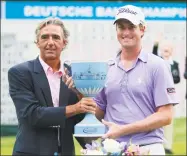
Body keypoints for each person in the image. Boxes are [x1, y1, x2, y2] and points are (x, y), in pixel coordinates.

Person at [93, 5, 178, 155]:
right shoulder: (107, 67)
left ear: (142, 29)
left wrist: (123, 130)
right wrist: (81, 94)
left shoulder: (157, 65)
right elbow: (99, 112)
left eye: (131, 27)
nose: (126, 32)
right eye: (121, 27)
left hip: (148, 147)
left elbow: (166, 115)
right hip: (112, 148)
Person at [8, 17, 97, 156]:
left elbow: (79, 121)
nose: (50, 42)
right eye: (44, 37)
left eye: (56, 37)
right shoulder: (20, 72)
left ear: (64, 43)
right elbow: (32, 115)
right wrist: (75, 108)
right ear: (37, 42)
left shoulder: (76, 75)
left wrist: (82, 97)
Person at [152, 36, 180, 154]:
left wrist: (169, 79)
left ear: (171, 51)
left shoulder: (175, 64)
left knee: (169, 122)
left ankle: (168, 146)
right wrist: (156, 44)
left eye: (168, 49)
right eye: (164, 49)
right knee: (157, 122)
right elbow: (153, 54)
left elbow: (177, 78)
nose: (166, 51)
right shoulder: (157, 61)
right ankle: (157, 144)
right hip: (157, 97)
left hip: (170, 98)